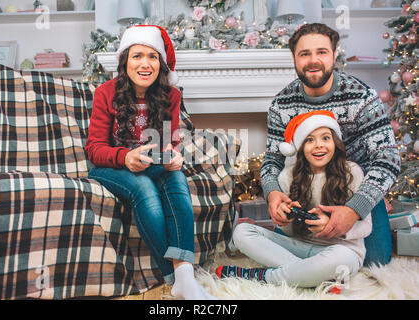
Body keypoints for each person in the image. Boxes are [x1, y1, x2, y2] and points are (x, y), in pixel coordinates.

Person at [85, 25, 216, 300]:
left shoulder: (171, 96)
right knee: (143, 186)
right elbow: (94, 149)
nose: (145, 64)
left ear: (161, 64)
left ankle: (184, 278)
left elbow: (170, 141)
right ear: (125, 61)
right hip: (111, 167)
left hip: (150, 162)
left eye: (152, 57)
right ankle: (173, 275)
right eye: (137, 56)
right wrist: (125, 157)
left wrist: (173, 154)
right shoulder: (105, 93)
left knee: (176, 176)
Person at [259, 23, 400, 267]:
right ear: (294, 57)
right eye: (305, 54)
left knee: (376, 262)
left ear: (334, 55)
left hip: (354, 188)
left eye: (322, 52)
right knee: (285, 249)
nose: (314, 60)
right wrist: (272, 193)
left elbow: (387, 158)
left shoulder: (362, 96)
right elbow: (272, 160)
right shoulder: (281, 104)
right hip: (303, 192)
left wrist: (355, 210)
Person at [216, 111, 371, 288]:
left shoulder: (352, 172)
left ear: (335, 143)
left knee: (340, 261)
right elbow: (290, 233)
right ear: (299, 146)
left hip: (340, 250)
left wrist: (332, 226)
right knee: (241, 232)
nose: (318, 146)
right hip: (300, 245)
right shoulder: (287, 177)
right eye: (310, 140)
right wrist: (286, 218)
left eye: (325, 138)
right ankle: (312, 276)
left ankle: (264, 276)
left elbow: (366, 226)